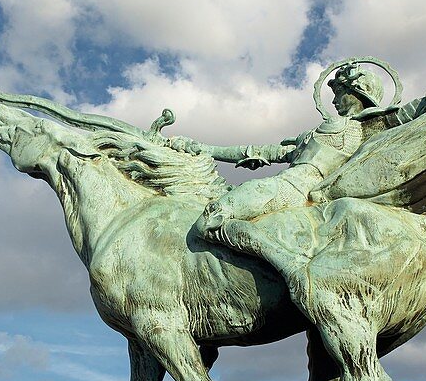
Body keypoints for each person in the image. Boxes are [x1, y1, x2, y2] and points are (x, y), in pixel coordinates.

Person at [171, 64, 399, 251]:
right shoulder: (316, 134)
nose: (333, 101)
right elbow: (258, 152)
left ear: (356, 92)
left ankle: (287, 264)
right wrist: (203, 148)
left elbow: (416, 110)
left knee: (208, 221)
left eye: (339, 92)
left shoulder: (371, 128)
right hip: (287, 187)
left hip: (289, 189)